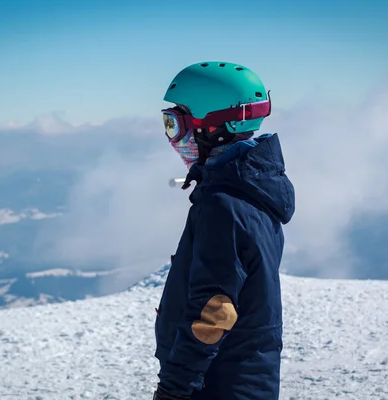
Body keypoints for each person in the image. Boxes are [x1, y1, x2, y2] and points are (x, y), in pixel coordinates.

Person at [152, 61, 295, 400]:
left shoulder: (224, 205)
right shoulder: (252, 192)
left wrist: (174, 390)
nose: (174, 137)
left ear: (213, 126)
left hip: (217, 384)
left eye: (176, 122)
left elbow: (214, 311)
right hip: (239, 379)